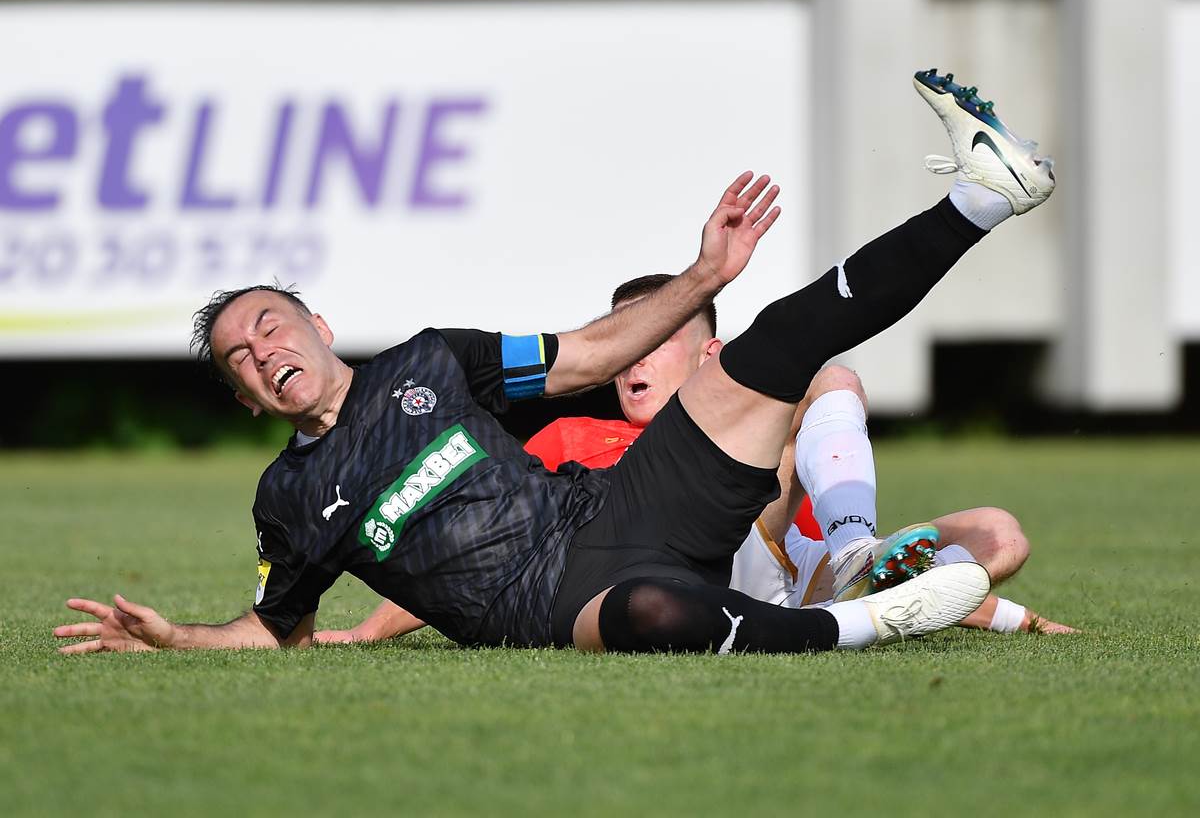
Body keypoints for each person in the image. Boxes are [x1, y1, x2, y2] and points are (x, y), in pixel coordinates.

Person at [55, 69, 1050, 656]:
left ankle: (983, 195)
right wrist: (177, 637)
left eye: (270, 324)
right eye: (240, 356)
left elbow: (587, 354)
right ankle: (868, 626)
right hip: (548, 605)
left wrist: (704, 270)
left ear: (316, 319)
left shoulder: (434, 359)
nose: (264, 350)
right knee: (662, 615)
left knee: (783, 347)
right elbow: (279, 630)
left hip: (616, 510)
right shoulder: (293, 495)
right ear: (242, 395)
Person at [315, 275, 1075, 644]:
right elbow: (492, 560)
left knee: (998, 532)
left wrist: (1014, 614)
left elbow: (783, 530)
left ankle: (855, 552)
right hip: (674, 576)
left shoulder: (760, 430)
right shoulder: (571, 441)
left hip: (795, 572)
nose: (628, 364)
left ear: (710, 357)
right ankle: (865, 582)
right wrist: (367, 633)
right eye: (621, 348)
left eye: (652, 344)